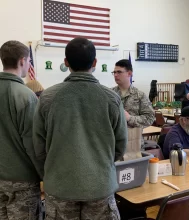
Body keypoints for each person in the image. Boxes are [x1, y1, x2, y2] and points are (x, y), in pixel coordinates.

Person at [33, 38, 127, 220]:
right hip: (100, 185)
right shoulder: (111, 99)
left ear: (66, 62)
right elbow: (120, 145)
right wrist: (99, 165)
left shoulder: (47, 98)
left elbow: (39, 146)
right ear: (95, 63)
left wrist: (52, 172)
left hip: (60, 186)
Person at [0, 41, 42, 219]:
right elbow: (33, 143)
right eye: (29, 62)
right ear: (22, 61)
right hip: (22, 181)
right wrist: (45, 175)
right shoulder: (25, 96)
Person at [112, 59, 155, 146]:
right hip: (113, 144)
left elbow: (150, 118)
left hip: (133, 143)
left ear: (129, 73)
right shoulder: (110, 94)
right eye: (114, 72)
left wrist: (130, 118)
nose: (116, 75)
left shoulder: (140, 95)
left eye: (119, 72)